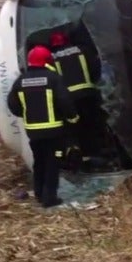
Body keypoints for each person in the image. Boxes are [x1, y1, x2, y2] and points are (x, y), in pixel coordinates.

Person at [6, 45, 81, 208]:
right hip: (54, 131)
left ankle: (39, 194)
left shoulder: (20, 81)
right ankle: (50, 198)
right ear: (47, 61)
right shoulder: (53, 78)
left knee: (39, 162)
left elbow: (12, 104)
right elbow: (64, 101)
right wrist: (72, 118)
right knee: (52, 163)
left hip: (33, 132)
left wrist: (26, 115)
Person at [48, 30, 104, 164]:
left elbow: (52, 81)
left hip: (69, 99)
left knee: (75, 128)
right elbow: (96, 68)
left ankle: (81, 155)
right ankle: (97, 154)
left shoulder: (51, 58)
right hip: (88, 94)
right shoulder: (82, 50)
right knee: (92, 124)